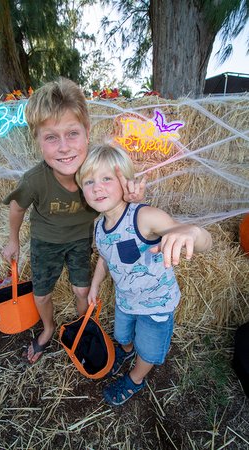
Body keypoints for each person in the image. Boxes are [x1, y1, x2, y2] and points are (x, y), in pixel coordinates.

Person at [2, 78, 147, 364]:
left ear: (87, 133)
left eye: (72, 134)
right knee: (41, 295)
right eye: (51, 137)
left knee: (82, 290)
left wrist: (131, 199)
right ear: (38, 140)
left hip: (80, 241)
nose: (64, 147)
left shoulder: (96, 174)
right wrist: (13, 239)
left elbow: (119, 202)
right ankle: (48, 328)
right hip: (46, 242)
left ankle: (83, 329)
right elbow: (17, 209)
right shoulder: (34, 180)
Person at [76, 143, 212, 406]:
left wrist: (193, 233)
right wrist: (94, 285)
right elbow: (106, 258)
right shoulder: (99, 227)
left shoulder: (144, 217)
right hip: (125, 299)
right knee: (123, 336)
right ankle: (126, 352)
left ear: (126, 183)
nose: (97, 187)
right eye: (89, 181)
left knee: (148, 349)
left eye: (107, 178)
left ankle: (136, 379)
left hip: (155, 304)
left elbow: (202, 240)